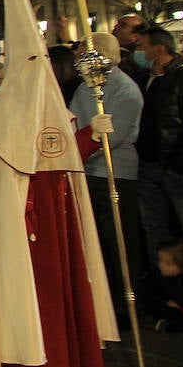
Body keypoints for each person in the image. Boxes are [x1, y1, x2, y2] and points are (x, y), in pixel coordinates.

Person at [0, 0, 116, 367]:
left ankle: (70, 365)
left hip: (60, 215)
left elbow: (58, 153)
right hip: (28, 223)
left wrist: (94, 134)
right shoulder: (0, 113)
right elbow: (26, 158)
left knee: (65, 292)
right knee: (40, 298)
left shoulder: (48, 106)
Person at [65, 35, 144, 327]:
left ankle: (126, 304)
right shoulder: (86, 88)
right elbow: (73, 121)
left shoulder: (125, 90)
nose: (80, 60)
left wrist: (89, 142)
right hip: (87, 171)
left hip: (115, 172)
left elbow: (116, 134)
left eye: (86, 54)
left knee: (119, 241)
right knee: (95, 240)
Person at [133, 25, 183, 260]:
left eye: (142, 46)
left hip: (177, 169)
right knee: (154, 230)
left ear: (159, 49)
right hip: (147, 167)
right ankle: (166, 284)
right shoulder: (143, 79)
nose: (139, 51)